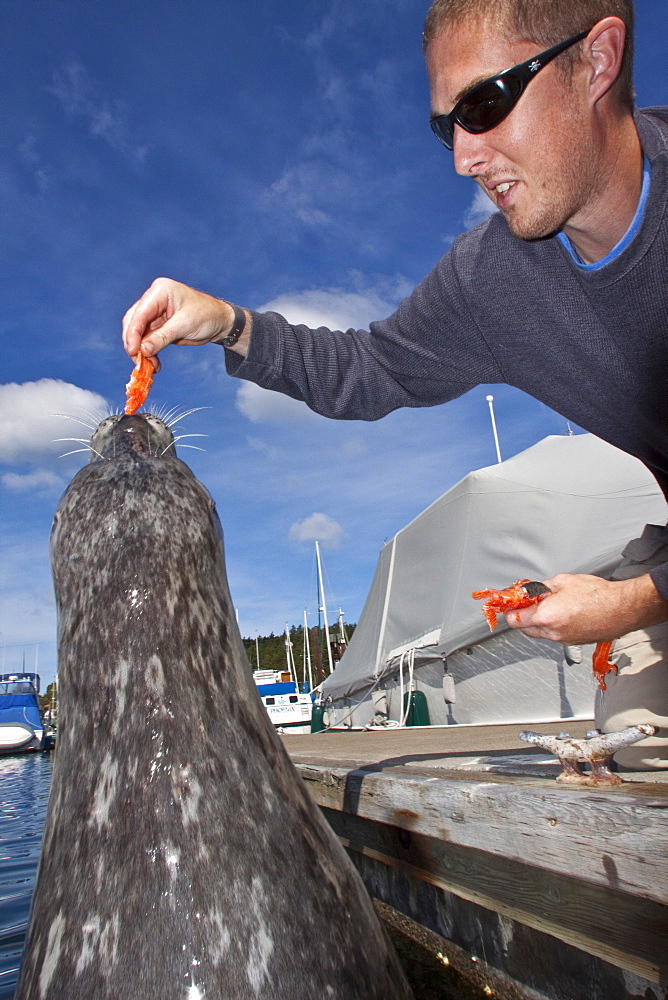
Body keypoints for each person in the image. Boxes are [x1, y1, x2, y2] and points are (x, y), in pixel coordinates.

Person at [122, 0, 668, 768]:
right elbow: (371, 368)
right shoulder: (494, 285)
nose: (464, 158)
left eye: (484, 104)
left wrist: (630, 601)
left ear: (598, 61)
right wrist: (229, 324)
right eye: (449, 126)